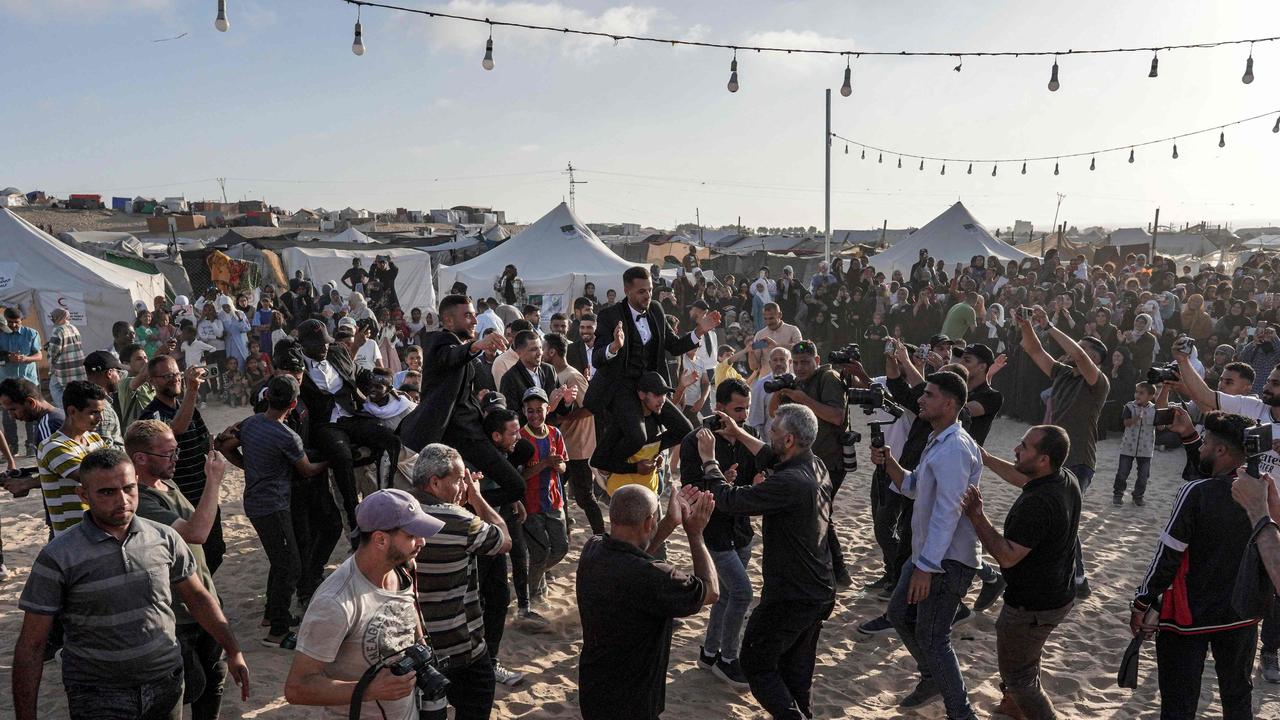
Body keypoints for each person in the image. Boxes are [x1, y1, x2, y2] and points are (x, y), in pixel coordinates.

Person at [13, 448, 249, 720]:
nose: (122, 500)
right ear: (83, 495)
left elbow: (197, 598)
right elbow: (31, 645)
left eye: (128, 488)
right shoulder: (59, 557)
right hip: (99, 695)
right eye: (107, 492)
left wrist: (233, 650)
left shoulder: (165, 538)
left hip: (166, 684)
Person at [694, 403, 834, 718]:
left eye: (774, 431)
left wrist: (709, 459)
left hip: (791, 595)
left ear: (789, 441)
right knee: (794, 672)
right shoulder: (816, 466)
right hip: (819, 590)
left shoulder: (790, 483)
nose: (768, 433)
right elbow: (771, 457)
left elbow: (729, 501)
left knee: (756, 664)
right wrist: (738, 433)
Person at [1131, 409, 1262, 719]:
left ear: (1220, 450)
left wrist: (1142, 601)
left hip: (1189, 616)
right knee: (1237, 696)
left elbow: (1168, 555)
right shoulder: (1263, 489)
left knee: (1179, 702)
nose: (1200, 447)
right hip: (1242, 615)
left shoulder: (1196, 493)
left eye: (1204, 443)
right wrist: (1189, 436)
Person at [871, 370, 982, 720]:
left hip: (945, 561)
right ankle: (933, 678)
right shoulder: (939, 441)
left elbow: (948, 512)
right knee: (900, 614)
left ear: (949, 404)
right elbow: (914, 485)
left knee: (934, 639)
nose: (920, 399)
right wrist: (889, 463)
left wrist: (926, 567)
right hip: (927, 555)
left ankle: (960, 712)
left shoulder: (955, 449)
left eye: (929, 395)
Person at [284, 489, 444, 720]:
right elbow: (297, 688)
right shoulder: (335, 603)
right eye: (412, 536)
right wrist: (370, 690)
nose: (422, 542)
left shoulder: (402, 568)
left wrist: (420, 645)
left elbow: (407, 611)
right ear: (380, 539)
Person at [964, 425, 1080, 720]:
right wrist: (987, 460)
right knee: (1027, 660)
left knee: (1018, 677)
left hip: (1033, 606)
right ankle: (1014, 706)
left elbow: (1006, 556)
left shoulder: (1039, 504)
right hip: (1058, 595)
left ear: (1043, 460)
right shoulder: (1064, 478)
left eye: (1024, 447)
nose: (1017, 449)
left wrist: (977, 517)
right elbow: (1022, 479)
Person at [577, 483, 718, 720]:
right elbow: (711, 591)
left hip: (594, 689)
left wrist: (669, 524)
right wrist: (695, 533)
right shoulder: (654, 577)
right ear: (648, 522)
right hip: (632, 702)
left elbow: (636, 556)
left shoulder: (593, 549)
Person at [127, 419, 230, 720]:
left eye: (177, 451)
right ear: (140, 458)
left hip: (203, 602)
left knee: (215, 682)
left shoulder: (166, 483)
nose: (176, 459)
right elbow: (196, 532)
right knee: (185, 691)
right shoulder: (140, 500)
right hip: (179, 615)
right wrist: (213, 481)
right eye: (168, 453)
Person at [409, 444, 512, 720]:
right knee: (476, 701)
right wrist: (477, 499)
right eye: (458, 480)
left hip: (413, 647)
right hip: (459, 647)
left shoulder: (399, 508)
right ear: (435, 482)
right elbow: (504, 540)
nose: (462, 486)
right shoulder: (458, 519)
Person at [1015, 307, 1108, 598]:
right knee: (1056, 516)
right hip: (1051, 459)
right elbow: (1034, 350)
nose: (1075, 352)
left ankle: (1077, 577)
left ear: (1095, 360)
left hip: (1079, 460)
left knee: (1066, 517)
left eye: (1084, 348)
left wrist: (1050, 325)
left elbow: (1079, 355)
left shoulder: (1098, 383)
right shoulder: (1064, 374)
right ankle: (1068, 574)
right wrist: (1027, 325)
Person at [584, 266, 717, 469]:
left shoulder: (656, 309)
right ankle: (608, 463)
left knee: (683, 428)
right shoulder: (610, 315)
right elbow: (597, 358)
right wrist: (614, 347)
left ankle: (644, 449)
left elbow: (674, 346)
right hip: (622, 387)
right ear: (627, 290)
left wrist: (699, 331)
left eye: (650, 290)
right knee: (636, 436)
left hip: (652, 387)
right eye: (641, 291)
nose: (647, 295)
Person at [237, 376, 331, 646]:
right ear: (293, 404)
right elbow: (307, 470)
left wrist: (248, 466)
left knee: (279, 559)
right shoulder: (288, 436)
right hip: (274, 507)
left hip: (255, 502)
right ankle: (277, 632)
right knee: (290, 565)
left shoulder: (251, 424)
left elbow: (226, 445)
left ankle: (272, 614)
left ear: (267, 397)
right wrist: (330, 460)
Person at [679, 378, 760, 689]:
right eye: (737, 410)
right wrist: (719, 483)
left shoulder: (749, 435)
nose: (742, 416)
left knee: (727, 596)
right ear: (719, 407)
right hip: (713, 530)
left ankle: (709, 653)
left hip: (742, 529)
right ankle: (728, 659)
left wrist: (754, 481)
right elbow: (690, 491)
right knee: (742, 593)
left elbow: (758, 476)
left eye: (746, 409)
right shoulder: (696, 440)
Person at [293, 319, 402, 531]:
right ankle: (354, 519)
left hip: (351, 414)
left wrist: (384, 384)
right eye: (318, 345)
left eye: (326, 342)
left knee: (390, 439)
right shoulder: (296, 365)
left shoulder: (337, 352)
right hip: (325, 424)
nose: (324, 347)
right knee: (342, 458)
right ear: (304, 345)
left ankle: (386, 494)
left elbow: (361, 373)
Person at [766, 341, 852, 588]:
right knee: (820, 515)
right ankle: (837, 571)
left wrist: (802, 399)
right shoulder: (797, 382)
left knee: (821, 515)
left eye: (806, 361)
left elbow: (836, 416)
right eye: (797, 362)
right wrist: (780, 392)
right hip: (808, 461)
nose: (801, 367)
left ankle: (839, 570)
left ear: (816, 359)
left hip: (831, 460)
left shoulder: (828, 378)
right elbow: (775, 413)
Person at [140, 356, 226, 572]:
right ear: (152, 381)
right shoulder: (151, 415)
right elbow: (173, 430)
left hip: (203, 493)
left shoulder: (189, 407)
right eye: (166, 376)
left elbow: (204, 439)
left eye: (176, 374)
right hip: (179, 499)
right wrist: (193, 391)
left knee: (215, 551)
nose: (174, 380)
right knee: (190, 556)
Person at [591, 371, 690, 496]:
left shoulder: (657, 419)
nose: (663, 400)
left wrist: (656, 455)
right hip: (624, 495)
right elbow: (598, 461)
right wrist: (635, 468)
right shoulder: (624, 426)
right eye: (657, 394)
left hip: (650, 492)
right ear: (642, 394)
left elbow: (682, 431)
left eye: (664, 394)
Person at [543, 331, 604, 535]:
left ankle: (600, 535)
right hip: (565, 445)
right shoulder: (555, 374)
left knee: (584, 496)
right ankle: (565, 530)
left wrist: (563, 418)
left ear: (552, 352)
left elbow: (591, 407)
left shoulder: (572, 376)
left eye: (542, 348)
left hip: (578, 447)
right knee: (558, 491)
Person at [37, 379, 111, 536]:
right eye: (93, 413)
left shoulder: (95, 439)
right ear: (72, 411)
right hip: (72, 536)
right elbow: (95, 478)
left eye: (101, 412)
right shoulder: (53, 446)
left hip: (98, 530)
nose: (100, 418)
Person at [519, 388, 570, 608]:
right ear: (523, 411)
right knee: (539, 552)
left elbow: (564, 465)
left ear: (548, 409)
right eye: (530, 411)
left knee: (561, 548)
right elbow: (519, 476)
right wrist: (545, 464)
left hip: (554, 500)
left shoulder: (555, 434)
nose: (535, 415)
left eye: (539, 410)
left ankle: (535, 576)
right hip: (530, 504)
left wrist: (558, 465)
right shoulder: (520, 437)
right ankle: (536, 594)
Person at [498, 330, 574, 425]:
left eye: (541, 348)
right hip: (525, 436)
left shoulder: (549, 370)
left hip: (549, 434)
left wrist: (567, 401)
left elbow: (560, 410)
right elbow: (512, 417)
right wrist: (546, 408)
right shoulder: (510, 378)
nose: (540, 353)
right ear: (519, 352)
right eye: (533, 349)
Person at [1, 306, 43, 455]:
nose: (13, 325)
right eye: (10, 322)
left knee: (31, 413)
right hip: (6, 382)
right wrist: (7, 358)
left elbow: (39, 356)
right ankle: (13, 448)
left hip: (28, 381)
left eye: (16, 322)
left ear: (21, 320)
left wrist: (25, 358)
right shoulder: (0, 334)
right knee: (8, 416)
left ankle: (32, 446)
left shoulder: (31, 333)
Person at [1113, 381, 1157, 506]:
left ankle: (1138, 496)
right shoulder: (1129, 406)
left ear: (1150, 396)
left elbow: (1160, 426)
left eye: (1141, 393)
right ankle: (1118, 494)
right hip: (1128, 447)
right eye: (1136, 392)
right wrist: (1137, 417)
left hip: (1146, 449)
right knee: (1122, 473)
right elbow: (1126, 423)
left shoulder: (1154, 409)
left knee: (1143, 476)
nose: (1137, 395)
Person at [46, 308, 87, 410]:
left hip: (63, 367)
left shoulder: (58, 330)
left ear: (57, 317)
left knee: (54, 388)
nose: (52, 319)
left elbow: (53, 352)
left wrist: (48, 350)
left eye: (53, 317)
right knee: (74, 391)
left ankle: (65, 410)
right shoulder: (74, 328)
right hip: (77, 366)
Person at [83, 350, 125, 448]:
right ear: (109, 373)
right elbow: (105, 450)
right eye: (117, 372)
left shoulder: (84, 400)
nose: (119, 377)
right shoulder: (102, 408)